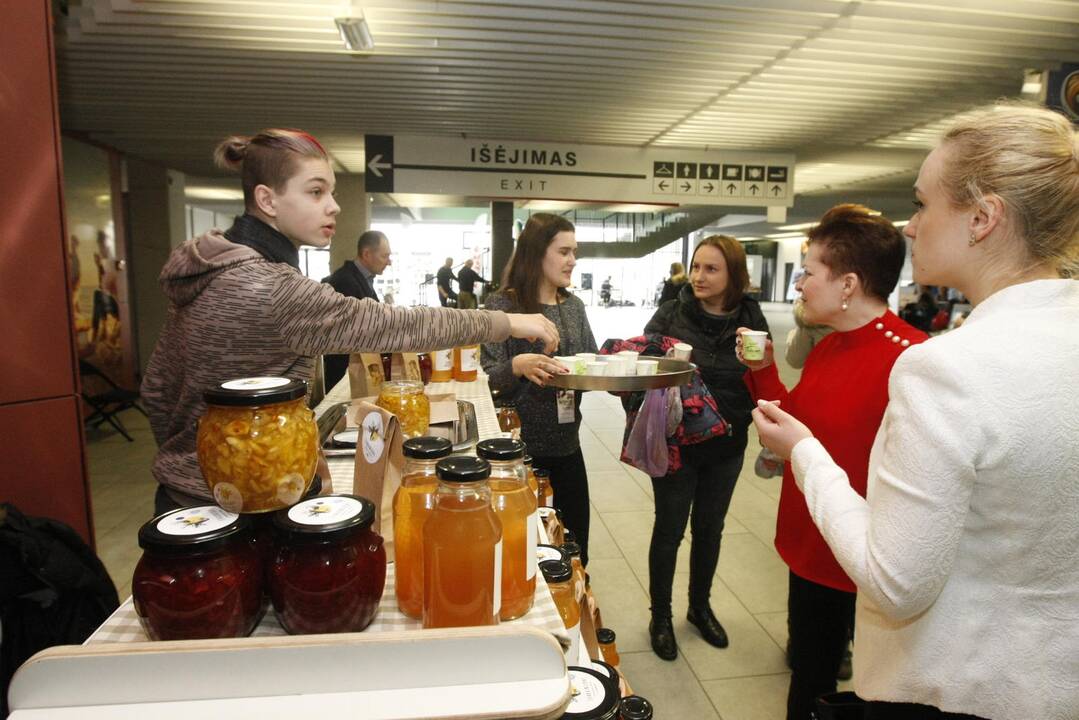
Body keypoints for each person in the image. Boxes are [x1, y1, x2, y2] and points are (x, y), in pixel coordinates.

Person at [752, 104, 1079, 720]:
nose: (909, 226)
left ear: (983, 218)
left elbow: (897, 583)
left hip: (970, 686)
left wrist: (806, 455)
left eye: (923, 204)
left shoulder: (943, 366)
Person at [142, 129, 558, 514]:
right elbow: (396, 327)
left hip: (187, 498)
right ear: (268, 201)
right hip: (239, 501)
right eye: (316, 191)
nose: (334, 205)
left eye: (332, 192)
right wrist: (505, 321)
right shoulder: (269, 286)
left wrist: (188, 458)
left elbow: (156, 388)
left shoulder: (212, 268)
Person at [737, 205, 927, 720]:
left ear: (848, 283)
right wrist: (762, 369)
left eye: (808, 272)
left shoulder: (911, 360)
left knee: (849, 684)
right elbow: (797, 425)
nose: (798, 285)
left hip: (864, 558)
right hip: (813, 541)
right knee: (810, 668)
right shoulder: (830, 346)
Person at [640, 235, 769, 661]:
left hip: (728, 443)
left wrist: (762, 364)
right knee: (669, 531)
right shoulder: (672, 313)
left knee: (710, 530)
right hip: (678, 445)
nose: (698, 276)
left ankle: (699, 607)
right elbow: (641, 368)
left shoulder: (751, 317)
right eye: (696, 267)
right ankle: (660, 616)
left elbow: (760, 375)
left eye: (711, 269)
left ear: (734, 275)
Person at [481, 213, 598, 564]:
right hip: (515, 455)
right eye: (564, 251)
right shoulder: (503, 307)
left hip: (567, 447)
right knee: (520, 554)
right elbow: (484, 380)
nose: (572, 261)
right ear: (536, 254)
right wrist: (518, 366)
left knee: (575, 552)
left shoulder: (574, 307)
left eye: (574, 252)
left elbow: (590, 366)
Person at [320, 229, 392, 390]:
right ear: (366, 254)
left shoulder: (362, 278)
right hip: (345, 372)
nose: (389, 262)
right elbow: (362, 328)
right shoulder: (345, 281)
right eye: (385, 256)